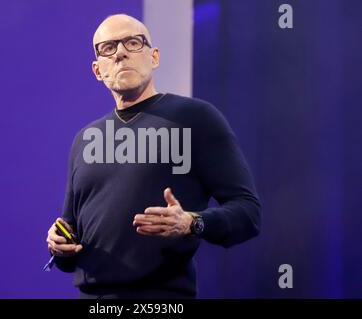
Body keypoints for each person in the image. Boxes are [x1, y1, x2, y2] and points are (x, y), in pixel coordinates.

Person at [46, 14, 261, 299]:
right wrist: (58, 244)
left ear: (154, 57)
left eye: (133, 42)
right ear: (98, 70)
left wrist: (191, 223)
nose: (121, 52)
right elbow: (69, 243)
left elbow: (248, 213)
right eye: (108, 48)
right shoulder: (85, 139)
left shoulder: (195, 118)